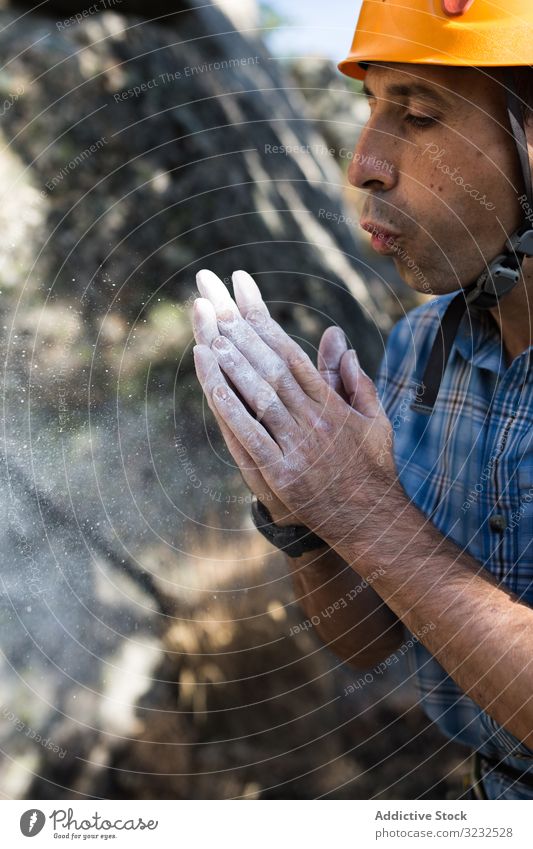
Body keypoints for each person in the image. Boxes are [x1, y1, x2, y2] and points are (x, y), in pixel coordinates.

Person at [192, 0, 533, 800]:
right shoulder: (423, 348)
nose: (363, 164)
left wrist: (361, 507)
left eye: (415, 115)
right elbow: (370, 637)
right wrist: (302, 510)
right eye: (371, 108)